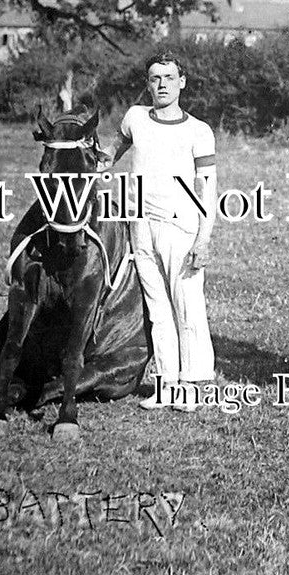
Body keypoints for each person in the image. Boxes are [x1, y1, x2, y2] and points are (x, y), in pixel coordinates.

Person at [111, 52, 217, 412]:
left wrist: (203, 239)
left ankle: (192, 385)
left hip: (180, 227)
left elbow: (208, 190)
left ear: (182, 82)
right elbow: (113, 150)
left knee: (186, 306)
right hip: (140, 225)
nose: (161, 85)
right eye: (155, 78)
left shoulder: (199, 131)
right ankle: (167, 383)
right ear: (147, 83)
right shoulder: (135, 117)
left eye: (169, 78)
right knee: (158, 309)